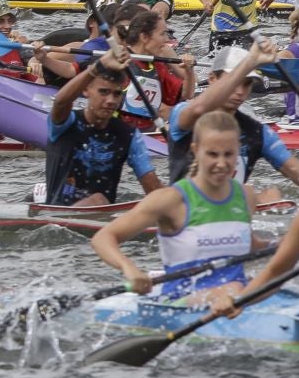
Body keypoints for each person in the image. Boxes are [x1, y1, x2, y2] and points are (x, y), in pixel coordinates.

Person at [91, 111, 253, 302]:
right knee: (235, 288)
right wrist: (130, 269)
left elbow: (245, 242)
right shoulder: (170, 200)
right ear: (195, 150)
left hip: (238, 298)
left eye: (229, 154)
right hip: (183, 302)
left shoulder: (246, 196)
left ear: (238, 152)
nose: (221, 163)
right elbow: (103, 238)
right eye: (212, 154)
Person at [162, 41, 299, 203]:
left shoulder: (258, 132)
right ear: (212, 79)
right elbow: (198, 109)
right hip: (185, 216)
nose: (240, 91)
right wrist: (250, 61)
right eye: (235, 81)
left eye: (247, 84)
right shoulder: (183, 113)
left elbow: (297, 172)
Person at [44, 42, 165, 206]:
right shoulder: (66, 123)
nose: (111, 100)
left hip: (100, 220)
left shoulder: (129, 136)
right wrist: (97, 66)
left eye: (116, 94)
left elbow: (152, 186)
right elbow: (60, 103)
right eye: (103, 92)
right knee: (98, 199)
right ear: (86, 91)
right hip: (57, 218)